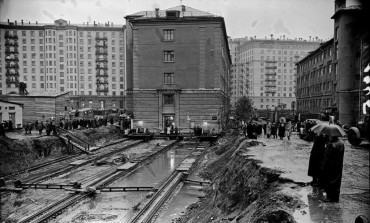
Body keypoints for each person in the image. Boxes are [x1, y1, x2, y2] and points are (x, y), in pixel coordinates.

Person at [321, 135, 345, 202]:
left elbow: (326, 158)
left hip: (330, 166)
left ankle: (330, 197)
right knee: (337, 181)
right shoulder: (341, 143)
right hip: (338, 166)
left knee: (330, 181)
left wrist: (323, 166)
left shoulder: (331, 144)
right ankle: (336, 197)